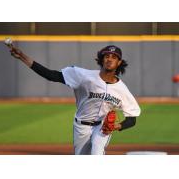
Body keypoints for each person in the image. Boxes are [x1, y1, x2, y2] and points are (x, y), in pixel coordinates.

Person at [8, 44, 141, 155]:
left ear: (119, 63)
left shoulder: (122, 89)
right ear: (101, 60)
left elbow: (132, 119)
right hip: (81, 126)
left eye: (114, 57)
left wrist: (117, 126)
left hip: (102, 127)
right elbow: (51, 75)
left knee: (97, 151)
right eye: (106, 56)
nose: (109, 59)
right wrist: (23, 57)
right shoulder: (83, 76)